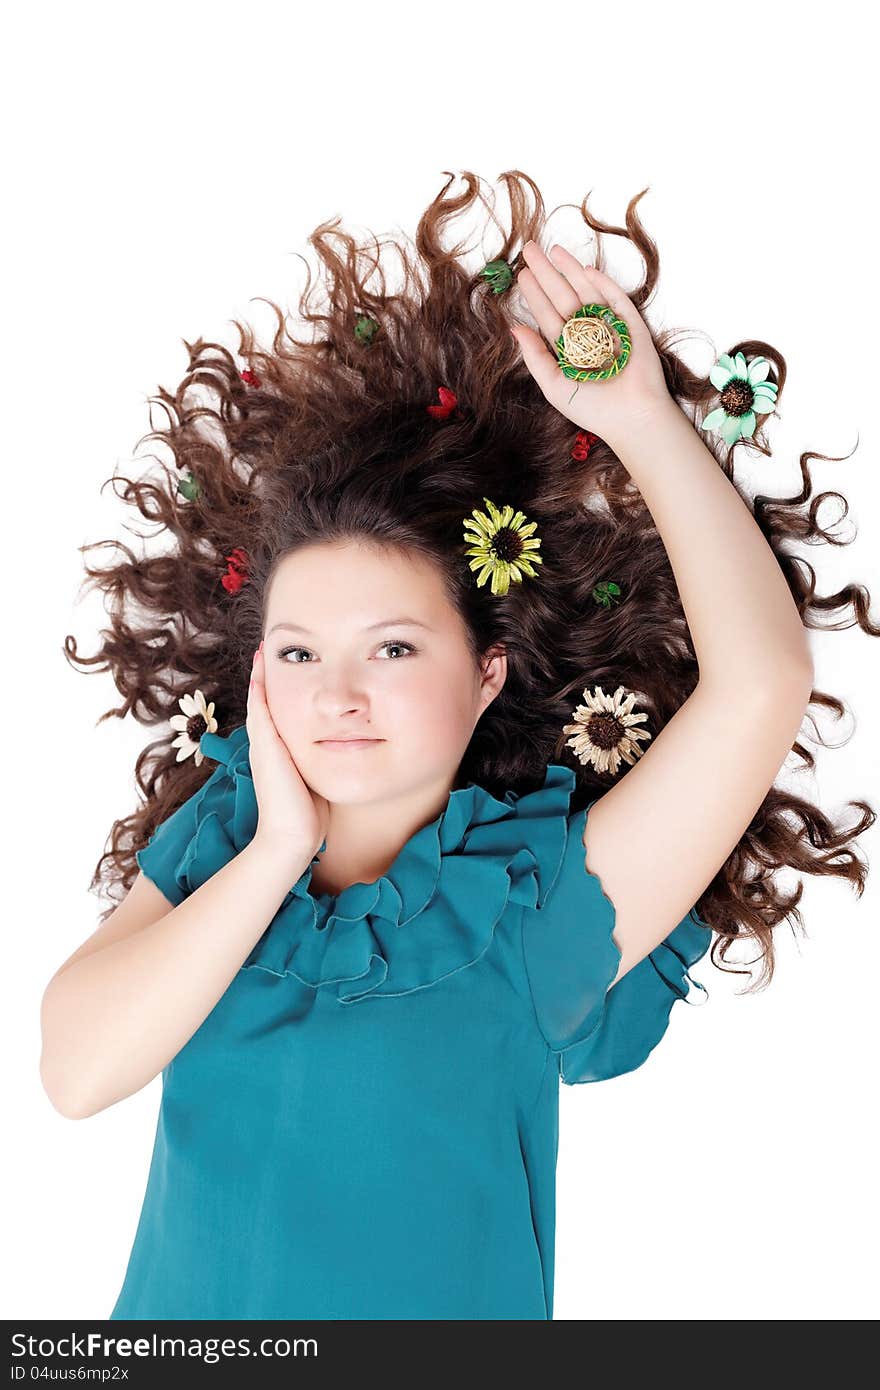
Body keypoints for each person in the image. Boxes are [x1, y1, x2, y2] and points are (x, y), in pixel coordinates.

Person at [40, 169, 874, 1320]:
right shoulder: (223, 841)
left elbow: (761, 682)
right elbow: (77, 1074)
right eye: (295, 654)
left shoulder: (533, 909)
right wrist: (281, 846)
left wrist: (637, 418)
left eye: (390, 650)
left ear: (488, 672)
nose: (335, 694)